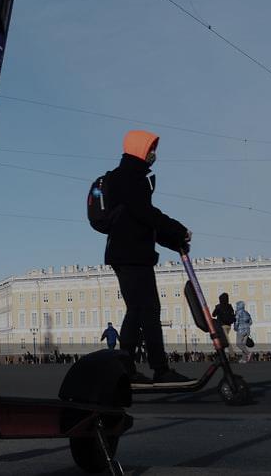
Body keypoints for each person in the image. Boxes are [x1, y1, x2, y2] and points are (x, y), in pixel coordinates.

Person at [103, 130, 192, 384]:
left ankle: (128, 369)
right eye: (151, 148)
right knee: (147, 309)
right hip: (131, 254)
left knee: (139, 310)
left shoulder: (127, 176)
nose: (154, 154)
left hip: (128, 253)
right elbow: (146, 214)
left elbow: (143, 221)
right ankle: (156, 369)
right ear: (139, 149)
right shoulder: (129, 177)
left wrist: (174, 241)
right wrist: (178, 230)